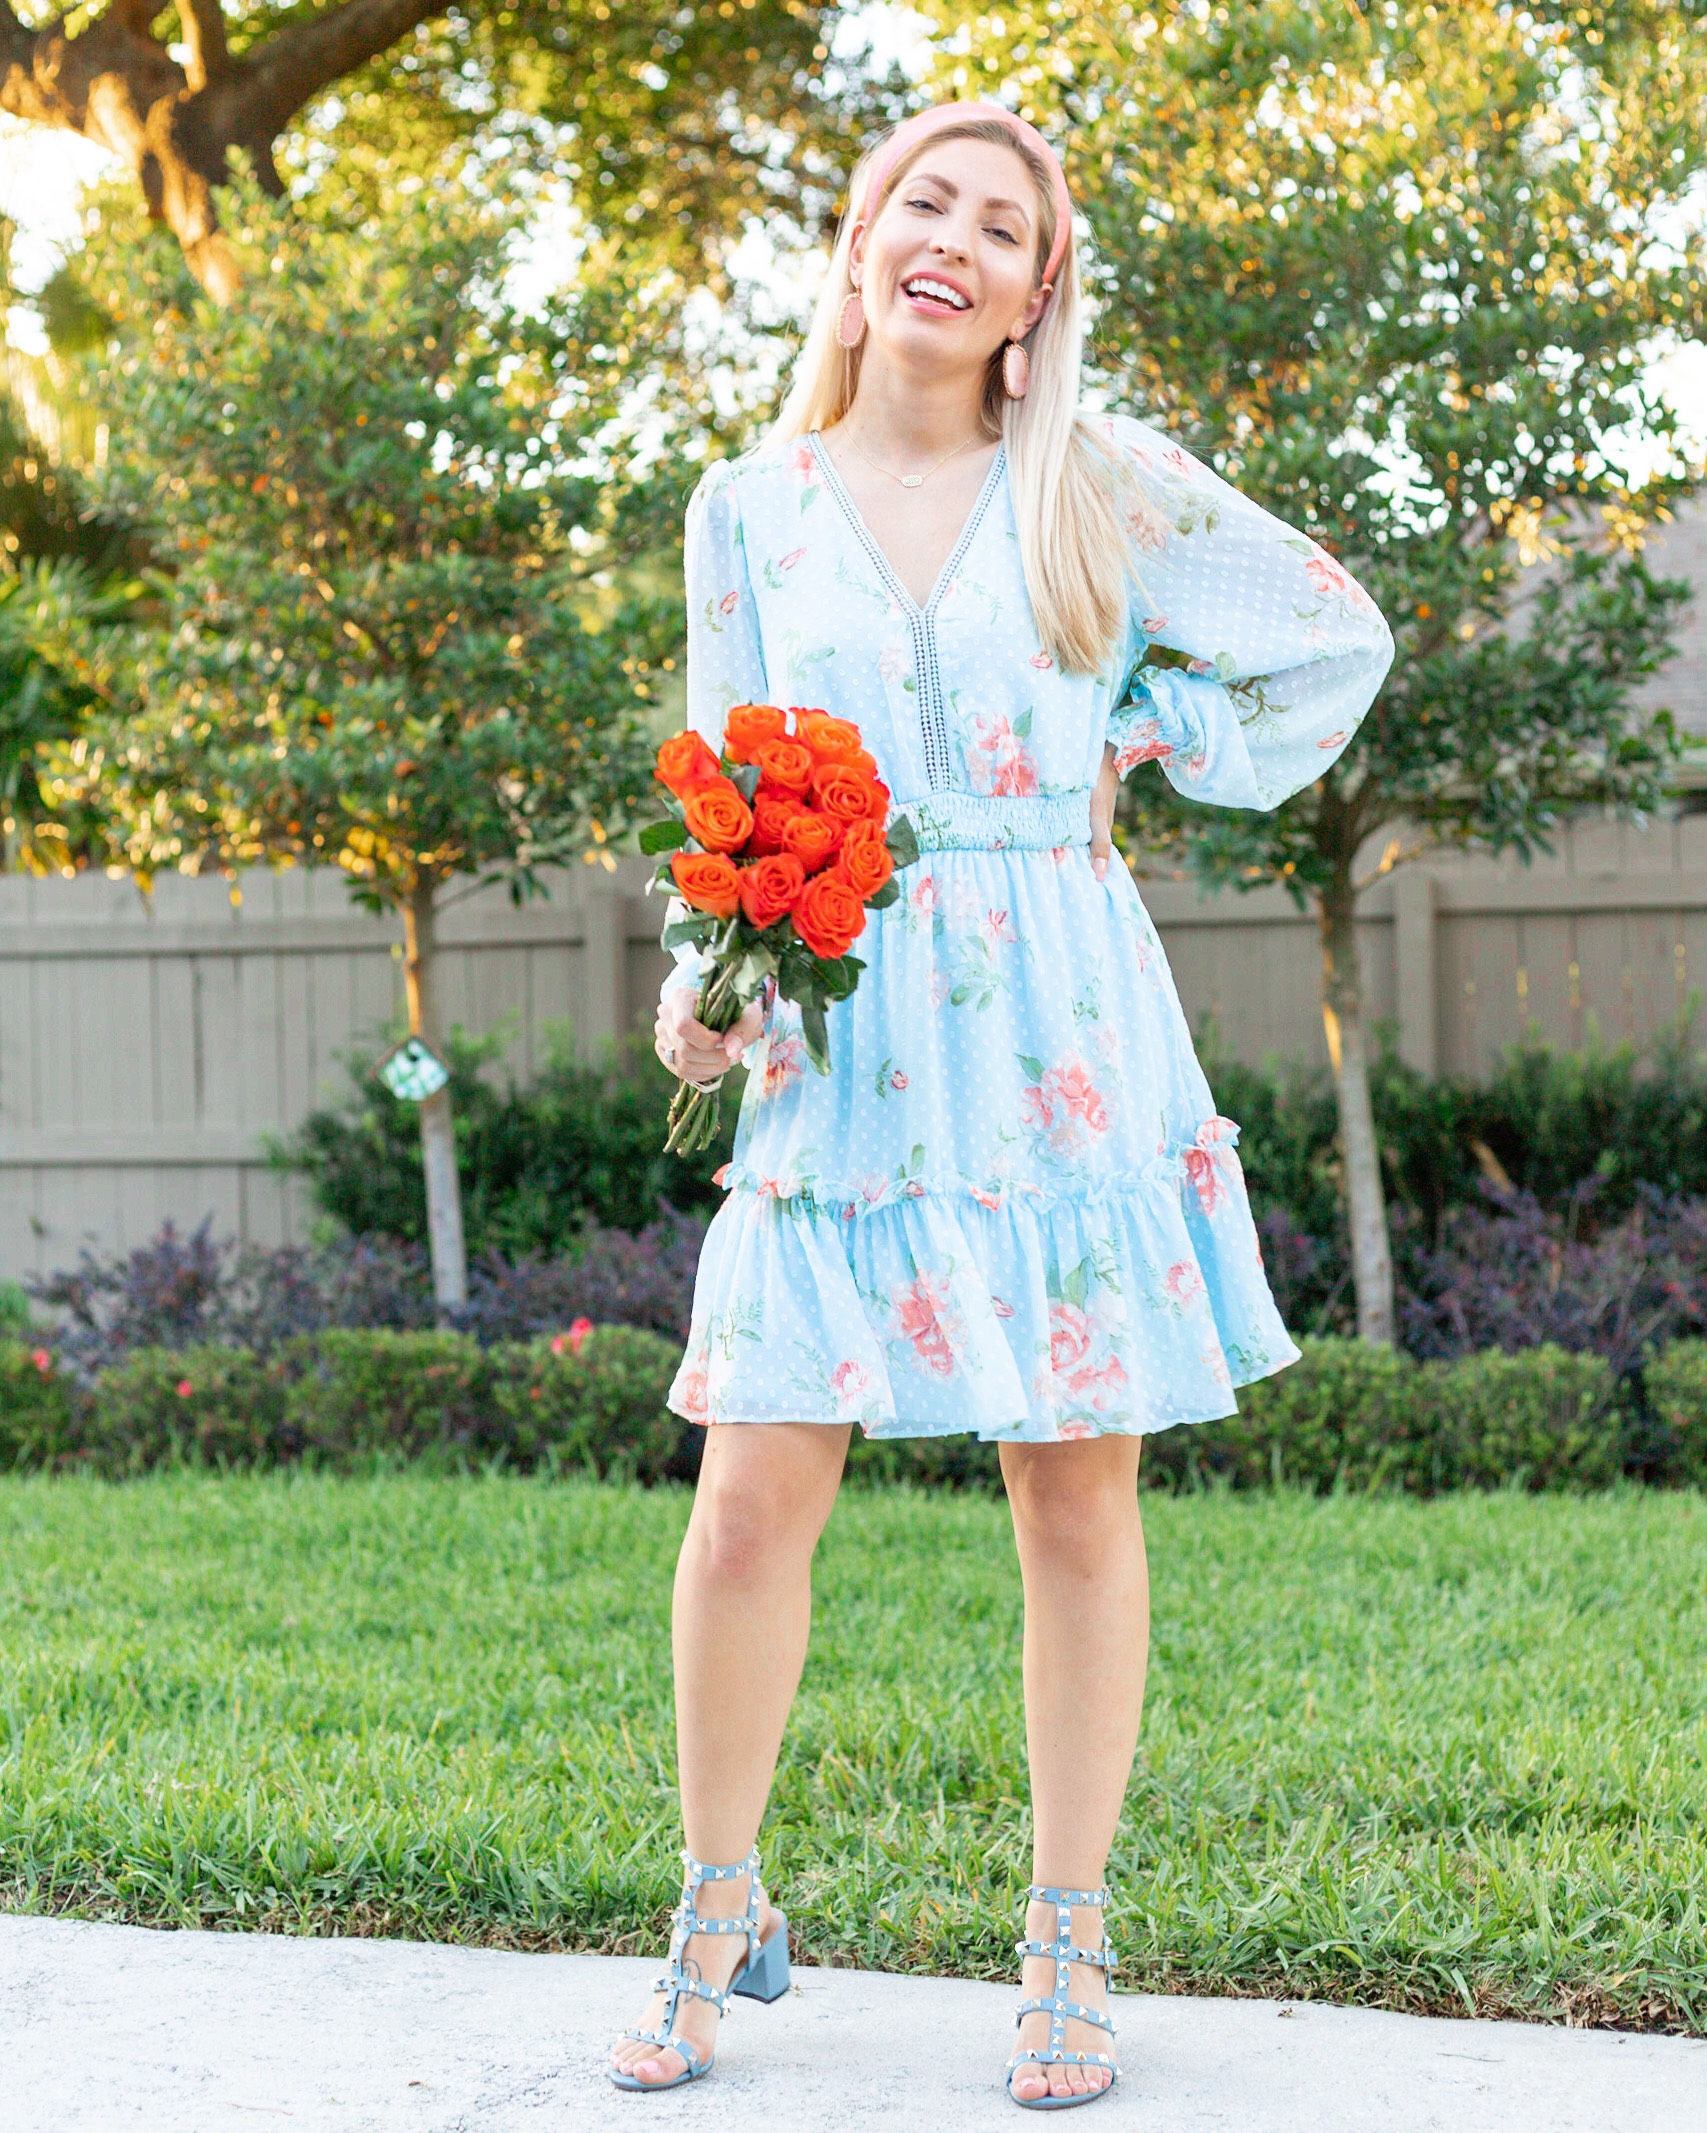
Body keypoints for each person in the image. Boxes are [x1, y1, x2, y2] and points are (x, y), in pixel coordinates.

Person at [613, 100, 1393, 2110]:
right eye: (921, 201)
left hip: (1055, 1018)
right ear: (862, 237)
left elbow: (1328, 634)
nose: (948, 237)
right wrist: (704, 1005)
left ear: (1038, 295)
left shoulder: (1091, 484)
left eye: (998, 225)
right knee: (747, 1492)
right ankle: (715, 1901)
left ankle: (1063, 1935)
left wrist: (1139, 723)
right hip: (848, 1025)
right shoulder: (749, 504)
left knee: (1072, 1488)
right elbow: (728, 784)